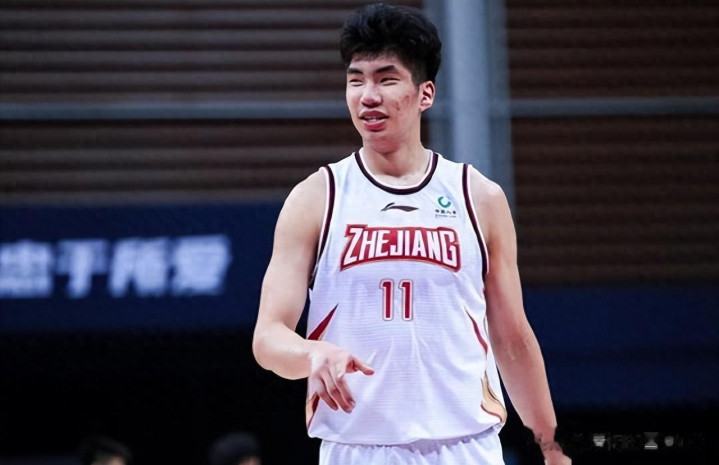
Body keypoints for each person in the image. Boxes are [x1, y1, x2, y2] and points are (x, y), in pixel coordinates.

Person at [252, 3, 572, 465]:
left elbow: (512, 337)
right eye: (356, 80)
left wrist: (552, 448)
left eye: (386, 79)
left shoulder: (478, 197)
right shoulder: (316, 197)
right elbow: (268, 337)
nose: (368, 96)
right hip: (357, 450)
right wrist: (310, 354)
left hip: (467, 447)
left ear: (425, 94)